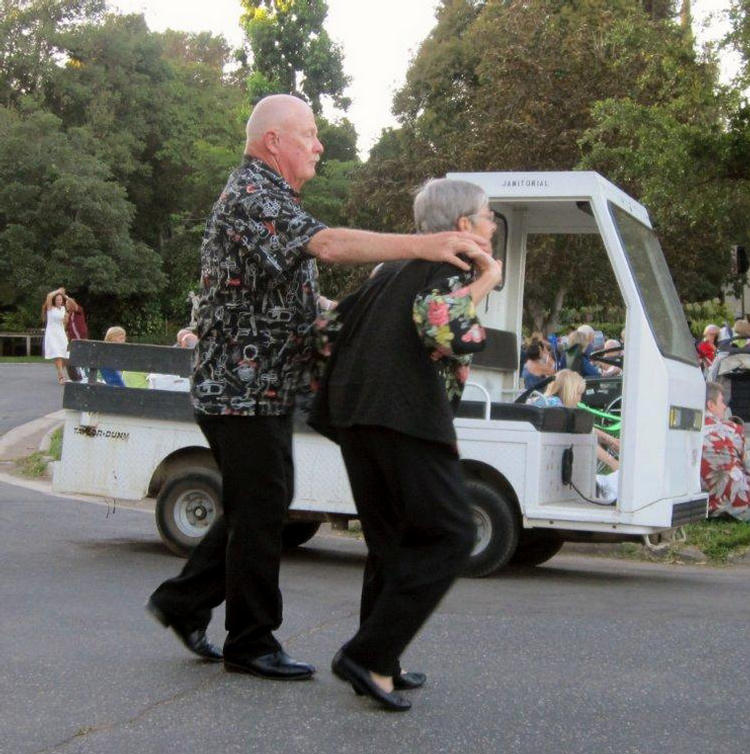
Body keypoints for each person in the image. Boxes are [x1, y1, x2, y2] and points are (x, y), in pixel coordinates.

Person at [146, 94, 492, 682]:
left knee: (257, 504)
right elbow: (329, 245)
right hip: (241, 388)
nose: (319, 145)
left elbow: (308, 305)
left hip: (262, 387)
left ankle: (182, 603)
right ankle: (250, 641)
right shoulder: (251, 195)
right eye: (308, 133)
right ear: (273, 141)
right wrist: (424, 245)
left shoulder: (275, 200)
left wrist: (364, 314)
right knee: (264, 506)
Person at [310, 177, 502, 711]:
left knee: (391, 541)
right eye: (489, 218)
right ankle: (368, 656)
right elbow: (448, 332)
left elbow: (327, 329)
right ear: (464, 226)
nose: (492, 227)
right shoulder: (453, 267)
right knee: (451, 534)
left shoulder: (386, 269)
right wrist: (486, 280)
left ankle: (381, 664)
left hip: (354, 415)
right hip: (405, 417)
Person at [700, 381, 750, 521]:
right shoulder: (733, 429)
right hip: (739, 504)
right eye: (721, 401)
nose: (724, 406)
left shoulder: (687, 430)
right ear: (710, 405)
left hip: (702, 507)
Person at [42, 291, 69, 384]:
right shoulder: (50, 308)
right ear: (54, 300)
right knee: (57, 355)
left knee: (65, 356)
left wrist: (65, 327)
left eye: (60, 299)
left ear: (62, 301)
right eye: (57, 299)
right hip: (52, 334)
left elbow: (64, 323)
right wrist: (59, 291)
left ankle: (60, 370)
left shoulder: (63, 309)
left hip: (61, 334)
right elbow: (49, 295)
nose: (59, 301)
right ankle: (61, 377)